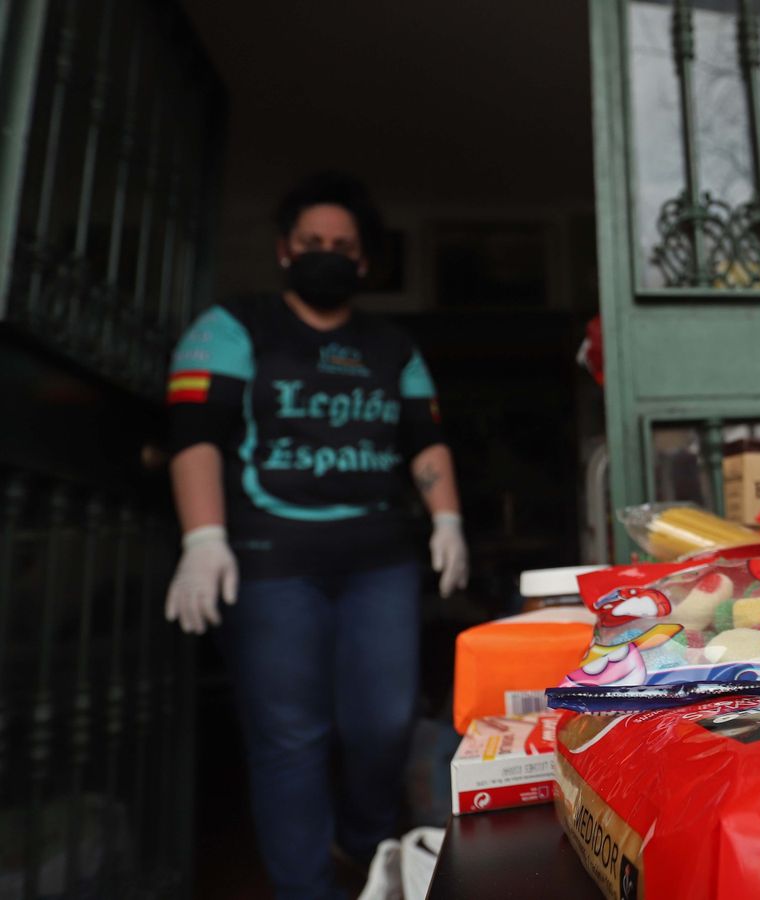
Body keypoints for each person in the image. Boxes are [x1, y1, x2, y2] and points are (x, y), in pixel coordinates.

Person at [163, 172, 468, 899]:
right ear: (284, 250)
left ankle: (364, 843)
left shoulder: (393, 347)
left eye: (342, 245)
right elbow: (194, 432)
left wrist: (448, 519)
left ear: (362, 261)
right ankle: (306, 889)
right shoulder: (231, 328)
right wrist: (203, 538)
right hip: (271, 565)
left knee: (385, 723)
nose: (326, 253)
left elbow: (424, 439)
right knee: (288, 738)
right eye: (312, 242)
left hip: (378, 562)